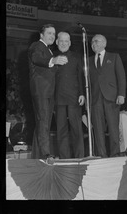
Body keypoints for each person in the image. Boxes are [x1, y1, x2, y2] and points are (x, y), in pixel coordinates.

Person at [28, 24, 68, 159]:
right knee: (43, 122)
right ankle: (45, 154)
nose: (52, 36)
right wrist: (53, 60)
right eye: (49, 33)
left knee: (43, 122)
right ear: (41, 35)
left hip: (48, 91)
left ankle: (38, 154)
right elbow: (36, 58)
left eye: (53, 34)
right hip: (41, 90)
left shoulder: (48, 49)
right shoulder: (37, 46)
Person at [89, 34, 126, 157]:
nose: (94, 43)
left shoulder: (114, 57)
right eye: (92, 42)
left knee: (113, 127)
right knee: (98, 129)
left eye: (97, 41)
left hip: (111, 97)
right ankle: (101, 155)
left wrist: (121, 94)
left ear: (104, 44)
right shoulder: (88, 60)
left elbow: (121, 77)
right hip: (95, 98)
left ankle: (115, 154)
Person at [54, 32, 85, 159]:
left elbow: (80, 77)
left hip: (74, 97)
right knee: (61, 130)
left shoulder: (76, 57)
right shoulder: (52, 57)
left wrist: (82, 93)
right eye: (61, 41)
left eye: (66, 41)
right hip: (58, 98)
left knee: (76, 129)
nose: (64, 43)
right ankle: (64, 158)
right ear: (57, 42)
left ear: (70, 43)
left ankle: (79, 156)